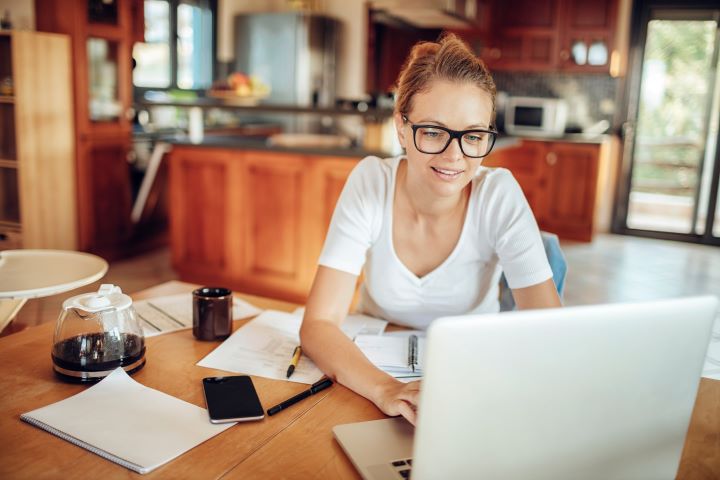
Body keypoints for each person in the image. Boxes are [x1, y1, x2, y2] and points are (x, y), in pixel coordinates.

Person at [299, 33, 561, 425]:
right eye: (435, 132)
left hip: (471, 378)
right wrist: (386, 389)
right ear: (401, 127)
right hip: (370, 373)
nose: (454, 156)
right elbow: (318, 324)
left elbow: (552, 335)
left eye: (473, 136)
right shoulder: (372, 182)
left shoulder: (498, 194)